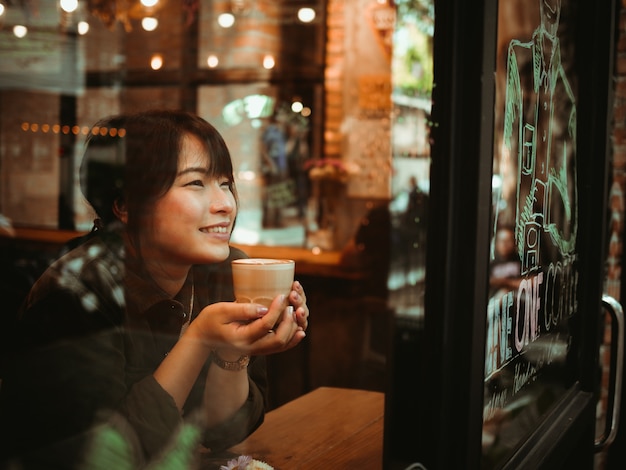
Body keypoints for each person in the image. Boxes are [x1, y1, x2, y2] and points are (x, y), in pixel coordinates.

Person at [0, 109, 309, 469]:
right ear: (126, 205)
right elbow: (107, 455)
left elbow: (223, 432)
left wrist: (232, 353)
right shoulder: (75, 294)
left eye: (225, 183)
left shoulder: (224, 272)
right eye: (195, 183)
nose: (225, 204)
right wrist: (198, 340)